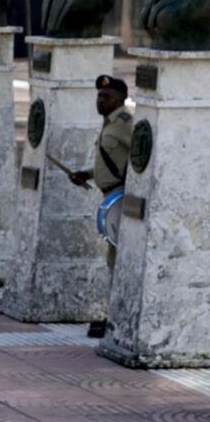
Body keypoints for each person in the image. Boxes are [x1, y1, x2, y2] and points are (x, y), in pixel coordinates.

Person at [68, 74, 134, 338]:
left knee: (119, 259)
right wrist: (85, 174)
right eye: (99, 96)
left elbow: (144, 156)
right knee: (113, 258)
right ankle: (115, 315)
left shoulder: (125, 123)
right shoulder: (110, 123)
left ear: (121, 99)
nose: (101, 100)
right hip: (110, 196)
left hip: (122, 197)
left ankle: (118, 317)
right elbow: (111, 162)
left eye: (107, 97)